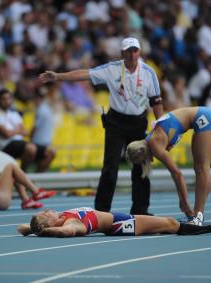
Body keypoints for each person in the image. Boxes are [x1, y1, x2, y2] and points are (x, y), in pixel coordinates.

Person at [39, 37, 164, 215]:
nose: (132, 54)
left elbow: (156, 101)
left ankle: (141, 210)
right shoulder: (112, 69)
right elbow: (84, 74)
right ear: (122, 53)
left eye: (135, 50)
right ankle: (102, 210)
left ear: (140, 52)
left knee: (141, 167)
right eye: (128, 51)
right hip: (116, 122)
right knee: (110, 168)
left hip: (138, 123)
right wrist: (58, 76)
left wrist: (160, 127)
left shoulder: (148, 72)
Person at [125, 106, 211, 226]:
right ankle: (195, 215)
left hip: (204, 118)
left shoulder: (155, 144)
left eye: (142, 161)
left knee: (202, 168)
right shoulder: (150, 139)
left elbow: (177, 173)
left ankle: (198, 216)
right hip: (201, 117)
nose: (147, 162)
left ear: (141, 152)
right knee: (199, 168)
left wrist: (183, 201)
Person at [17, 207, 211, 237]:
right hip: (119, 225)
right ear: (52, 223)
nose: (48, 210)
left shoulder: (61, 218)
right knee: (169, 224)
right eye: (47, 213)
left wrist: (35, 228)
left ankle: (199, 225)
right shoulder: (69, 225)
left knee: (165, 226)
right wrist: (47, 230)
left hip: (118, 217)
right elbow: (68, 234)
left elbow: (22, 228)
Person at [0, 88, 54, 172]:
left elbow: (25, 132)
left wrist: (14, 131)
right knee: (31, 148)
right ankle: (23, 173)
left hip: (19, 143)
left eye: (9, 98)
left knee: (51, 152)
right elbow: (7, 134)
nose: (7, 101)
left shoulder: (14, 113)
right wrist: (17, 131)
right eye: (4, 99)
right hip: (6, 144)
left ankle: (38, 175)